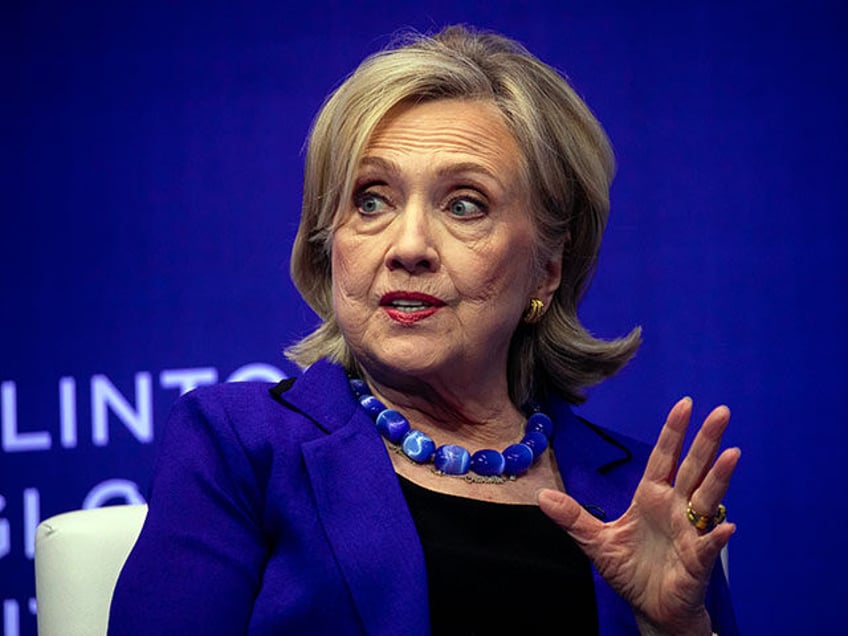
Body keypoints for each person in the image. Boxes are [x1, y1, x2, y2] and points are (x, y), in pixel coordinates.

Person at [109, 25, 739, 635]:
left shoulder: (640, 496)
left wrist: (674, 632)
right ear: (331, 242)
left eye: (465, 204)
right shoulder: (242, 448)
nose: (408, 246)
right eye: (371, 200)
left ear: (547, 269)